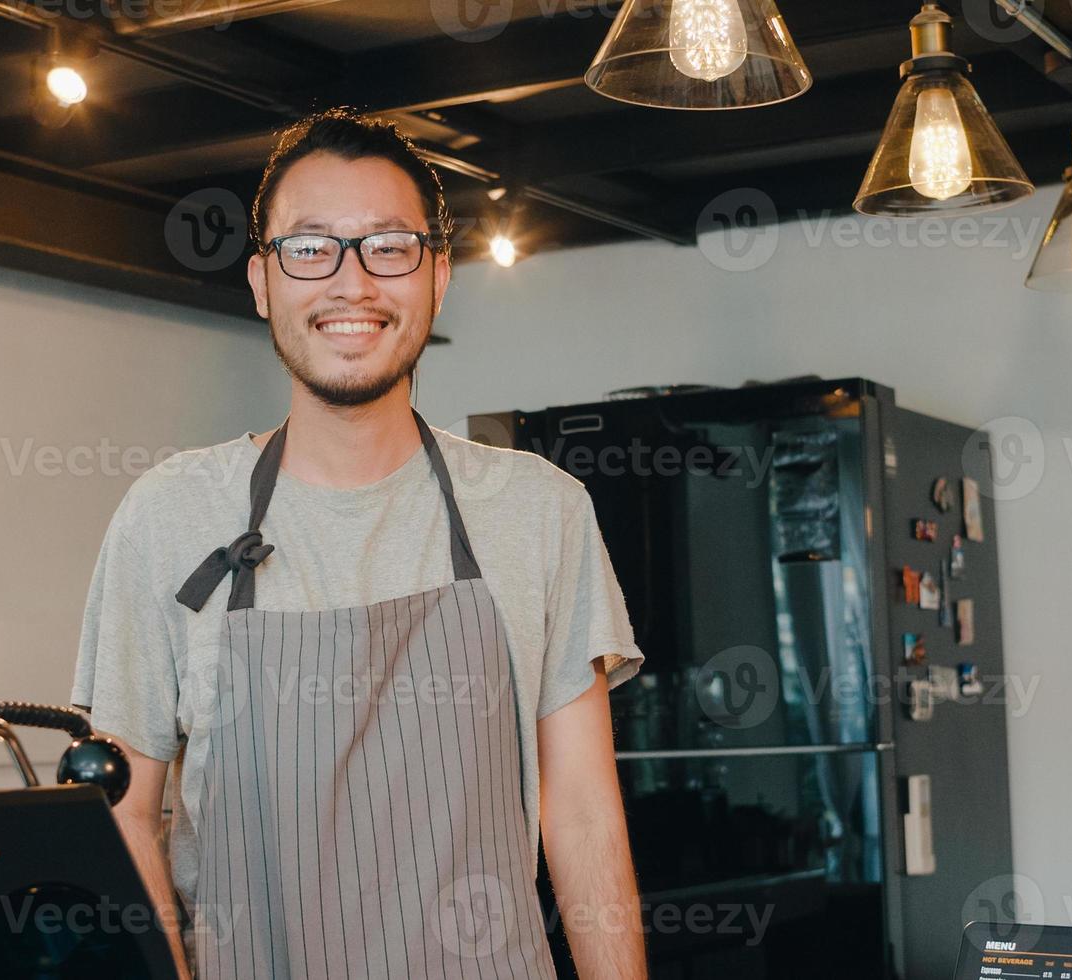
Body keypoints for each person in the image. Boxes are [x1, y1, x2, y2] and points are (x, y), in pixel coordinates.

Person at [72, 107, 646, 979]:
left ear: (438, 276)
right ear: (264, 281)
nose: (352, 284)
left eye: (389, 245)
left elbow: (581, 809)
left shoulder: (540, 510)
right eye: (311, 249)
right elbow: (122, 811)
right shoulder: (169, 514)